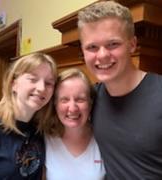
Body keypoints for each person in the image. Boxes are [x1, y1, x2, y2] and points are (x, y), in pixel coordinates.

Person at [78, 1, 162, 179]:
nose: (102, 55)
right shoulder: (89, 99)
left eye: (113, 44)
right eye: (92, 47)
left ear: (132, 44)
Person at [0, 52, 57, 179]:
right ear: (13, 84)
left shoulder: (40, 130)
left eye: (49, 83)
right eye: (33, 79)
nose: (41, 88)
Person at [42, 68, 106, 180]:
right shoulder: (44, 139)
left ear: (90, 103)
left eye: (80, 99)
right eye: (64, 100)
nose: (72, 108)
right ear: (55, 104)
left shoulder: (103, 139)